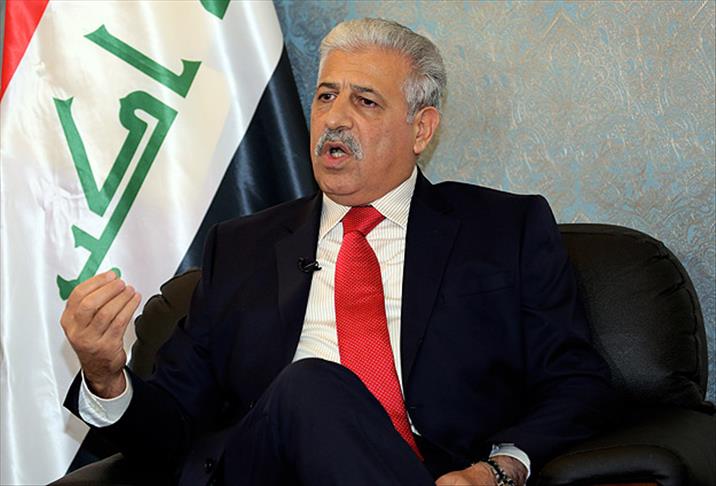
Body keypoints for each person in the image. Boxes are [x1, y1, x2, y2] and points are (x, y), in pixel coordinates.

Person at [61, 18, 615, 486]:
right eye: (326, 96)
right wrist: (106, 377)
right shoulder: (242, 248)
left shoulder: (503, 230)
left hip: (433, 473)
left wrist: (496, 470)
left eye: (365, 101)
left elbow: (575, 382)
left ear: (421, 129)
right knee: (310, 384)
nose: (335, 118)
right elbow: (172, 424)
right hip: (263, 470)